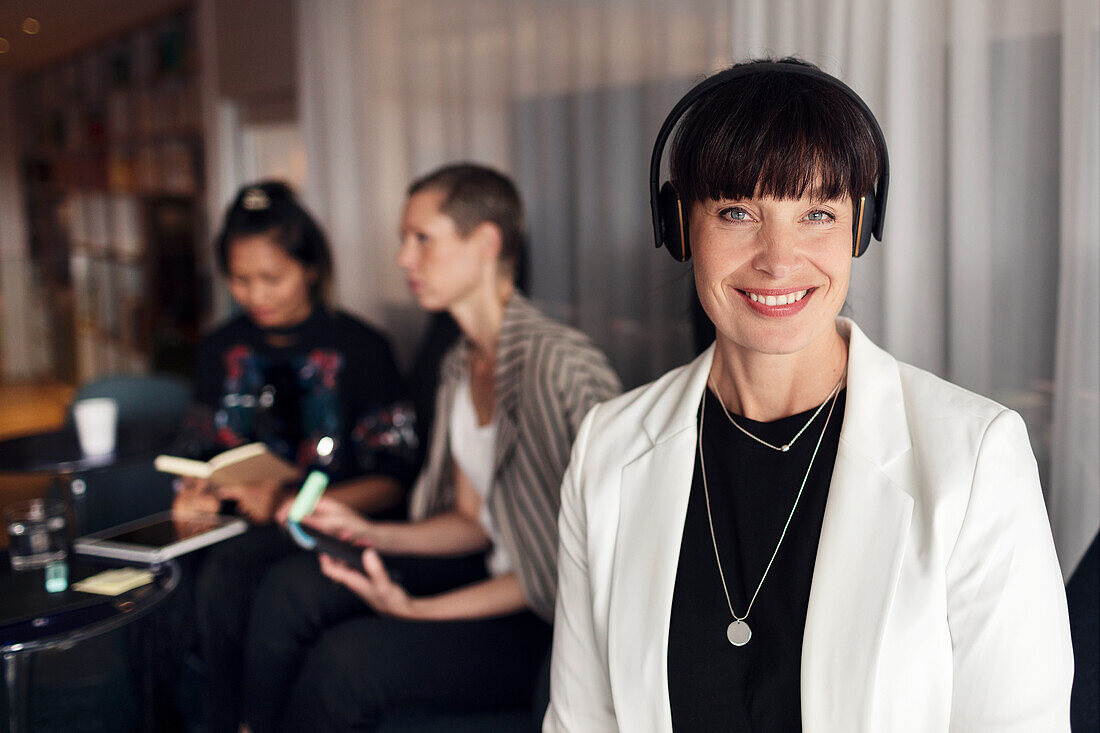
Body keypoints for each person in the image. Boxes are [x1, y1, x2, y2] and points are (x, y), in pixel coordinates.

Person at [544, 59, 1074, 732]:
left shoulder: (974, 456)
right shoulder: (606, 447)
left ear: (859, 227)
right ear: (680, 226)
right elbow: (582, 720)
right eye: (738, 211)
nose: (778, 257)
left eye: (817, 213)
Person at [237, 163, 621, 731]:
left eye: (422, 239)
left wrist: (417, 611)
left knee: (345, 663)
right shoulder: (460, 364)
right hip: (494, 575)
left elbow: (579, 568)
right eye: (403, 241)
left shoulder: (557, 367)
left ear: (486, 241)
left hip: (551, 620)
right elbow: (472, 519)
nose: (403, 259)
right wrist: (373, 532)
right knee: (291, 587)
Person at [169, 181, 418, 733]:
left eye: (271, 277)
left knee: (229, 577)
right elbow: (195, 446)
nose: (255, 294)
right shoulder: (220, 347)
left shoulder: (362, 348)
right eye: (239, 279)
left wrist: (287, 502)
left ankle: (238, 723)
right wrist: (193, 491)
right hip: (229, 524)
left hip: (329, 522)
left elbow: (394, 475)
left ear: (309, 268)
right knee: (173, 576)